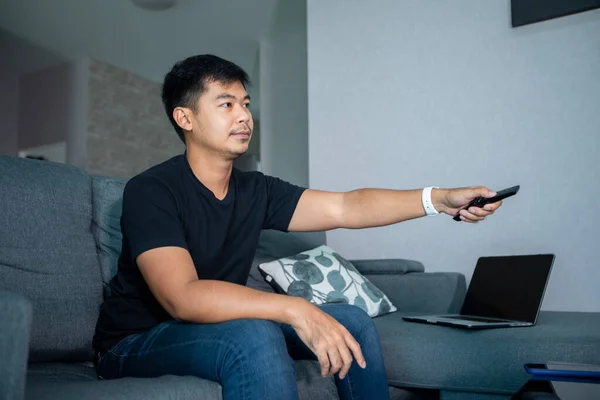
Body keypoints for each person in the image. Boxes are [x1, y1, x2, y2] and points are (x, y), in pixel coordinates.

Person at [92, 54, 503, 400]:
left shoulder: (256, 189)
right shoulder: (152, 190)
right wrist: (295, 308)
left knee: (351, 320)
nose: (244, 117)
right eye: (226, 104)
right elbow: (183, 297)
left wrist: (438, 199)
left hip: (208, 326)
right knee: (255, 336)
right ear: (185, 117)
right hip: (136, 340)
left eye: (245, 103)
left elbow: (346, 207)